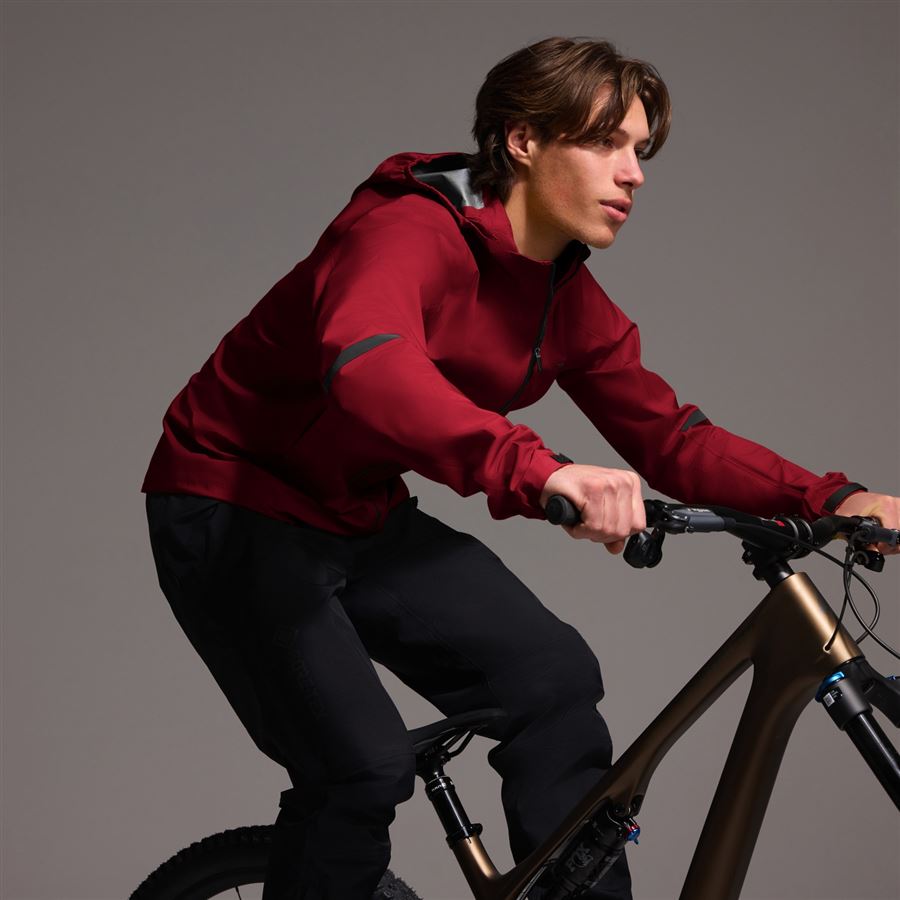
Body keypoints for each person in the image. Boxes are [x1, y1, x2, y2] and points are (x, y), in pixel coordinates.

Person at [141, 35, 900, 900]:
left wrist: (836, 498)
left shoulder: (561, 295)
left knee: (554, 683)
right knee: (360, 769)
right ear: (524, 140)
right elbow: (369, 366)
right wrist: (537, 469)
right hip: (231, 504)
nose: (634, 174)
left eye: (640, 151)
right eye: (606, 143)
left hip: (358, 514)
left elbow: (673, 439)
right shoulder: (401, 230)